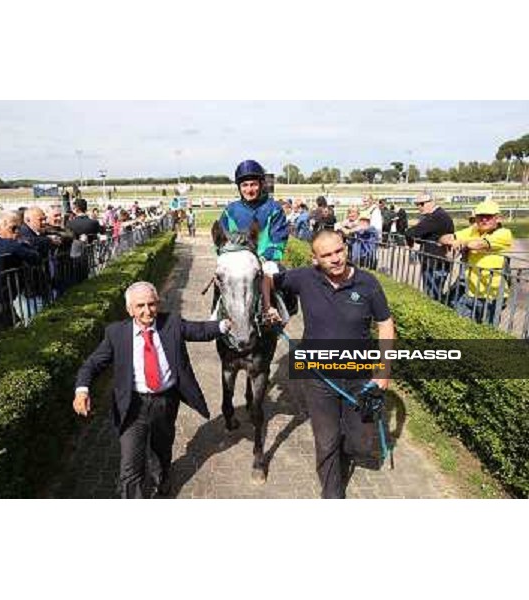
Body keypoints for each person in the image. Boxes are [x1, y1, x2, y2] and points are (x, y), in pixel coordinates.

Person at [263, 229, 395, 498]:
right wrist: (268, 306)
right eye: (327, 255)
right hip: (318, 378)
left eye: (339, 251)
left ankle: (347, 450)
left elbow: (385, 324)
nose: (336, 259)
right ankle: (332, 494)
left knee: (359, 443)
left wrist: (383, 371)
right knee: (326, 440)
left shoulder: (368, 284)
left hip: (359, 377)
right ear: (315, 259)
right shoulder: (304, 278)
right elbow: (265, 279)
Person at [73, 281, 232, 498]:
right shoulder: (116, 333)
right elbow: (92, 364)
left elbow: (200, 330)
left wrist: (226, 325)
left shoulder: (172, 323)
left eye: (152, 304)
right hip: (132, 406)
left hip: (165, 402)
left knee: (162, 450)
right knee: (130, 465)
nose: (147, 311)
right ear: (130, 310)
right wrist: (82, 390)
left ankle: (162, 481)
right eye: (140, 306)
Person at [218, 159, 294, 314]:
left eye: (253, 184)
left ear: (261, 184)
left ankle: (279, 311)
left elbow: (278, 241)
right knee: (219, 281)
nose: (249, 189)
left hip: (265, 260)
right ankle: (216, 315)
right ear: (239, 187)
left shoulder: (274, 209)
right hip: (237, 262)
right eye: (245, 185)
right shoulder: (230, 211)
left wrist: (263, 258)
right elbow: (221, 243)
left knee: (276, 275)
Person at [440, 200, 513, 326]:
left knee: (486, 332)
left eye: (488, 217)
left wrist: (461, 242)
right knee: (461, 326)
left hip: (492, 295)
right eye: (480, 216)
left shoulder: (504, 233)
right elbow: (444, 238)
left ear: (498, 218)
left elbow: (478, 245)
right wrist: (452, 241)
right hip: (470, 292)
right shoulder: (474, 230)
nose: (484, 220)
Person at [0, 210, 40, 339]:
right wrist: (23, 244)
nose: (18, 231)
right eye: (13, 228)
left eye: (19, 227)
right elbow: (35, 257)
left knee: (11, 331)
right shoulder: (8, 245)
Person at [405, 191, 454, 301]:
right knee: (431, 293)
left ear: (432, 202)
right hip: (432, 260)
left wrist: (411, 244)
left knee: (433, 296)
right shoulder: (432, 216)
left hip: (436, 262)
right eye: (417, 204)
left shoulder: (437, 216)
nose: (419, 207)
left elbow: (411, 232)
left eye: (422, 204)